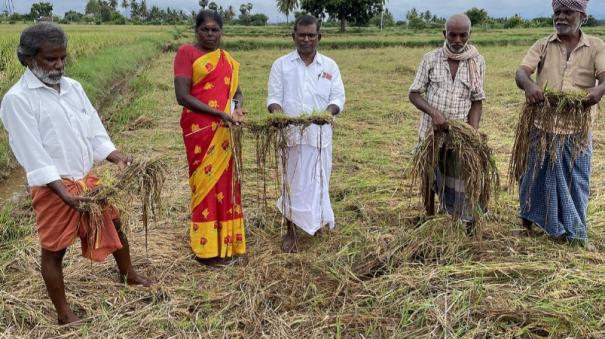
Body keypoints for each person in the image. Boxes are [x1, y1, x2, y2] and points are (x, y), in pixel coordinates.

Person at [0, 23, 151, 325]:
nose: (58, 65)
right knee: (54, 251)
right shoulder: (18, 99)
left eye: (62, 58)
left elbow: (94, 130)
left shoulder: (73, 88)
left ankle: (128, 274)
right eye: (50, 59)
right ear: (28, 59)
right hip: (55, 186)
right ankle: (64, 314)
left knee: (116, 224)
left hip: (88, 179)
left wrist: (115, 154)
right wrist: (63, 192)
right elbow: (32, 153)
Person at [515, 0, 605, 244]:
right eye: (557, 12)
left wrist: (598, 91)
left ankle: (573, 229)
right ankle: (530, 219)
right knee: (533, 176)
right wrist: (530, 85)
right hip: (542, 124)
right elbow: (522, 72)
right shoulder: (543, 45)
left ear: (582, 17)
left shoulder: (596, 46)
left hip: (577, 128)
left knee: (576, 180)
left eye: (568, 12)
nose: (561, 17)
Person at [267, 15, 346, 253]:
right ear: (294, 36)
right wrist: (278, 115)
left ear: (319, 38)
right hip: (290, 135)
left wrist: (327, 113)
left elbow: (338, 98)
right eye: (301, 35)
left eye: (311, 35)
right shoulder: (281, 65)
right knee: (292, 183)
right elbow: (273, 98)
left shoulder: (329, 66)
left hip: (320, 137)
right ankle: (291, 230)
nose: (306, 39)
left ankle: (317, 223)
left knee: (319, 180)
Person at [174, 10, 246, 262]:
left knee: (226, 184)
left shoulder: (226, 59)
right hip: (200, 129)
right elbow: (182, 96)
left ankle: (228, 244)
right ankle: (205, 250)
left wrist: (236, 108)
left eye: (215, 30)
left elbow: (237, 91)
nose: (210, 34)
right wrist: (217, 113)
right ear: (197, 30)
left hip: (224, 129)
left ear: (221, 32)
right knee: (204, 186)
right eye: (205, 29)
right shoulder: (187, 53)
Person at [408, 14, 486, 233]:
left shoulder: (476, 61)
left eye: (463, 35)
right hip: (431, 132)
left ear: (470, 35)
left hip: (458, 136)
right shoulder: (431, 59)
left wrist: (472, 132)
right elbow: (414, 94)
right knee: (428, 174)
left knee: (459, 176)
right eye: (453, 34)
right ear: (445, 34)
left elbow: (477, 101)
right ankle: (429, 215)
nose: (458, 40)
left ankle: (460, 216)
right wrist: (434, 113)